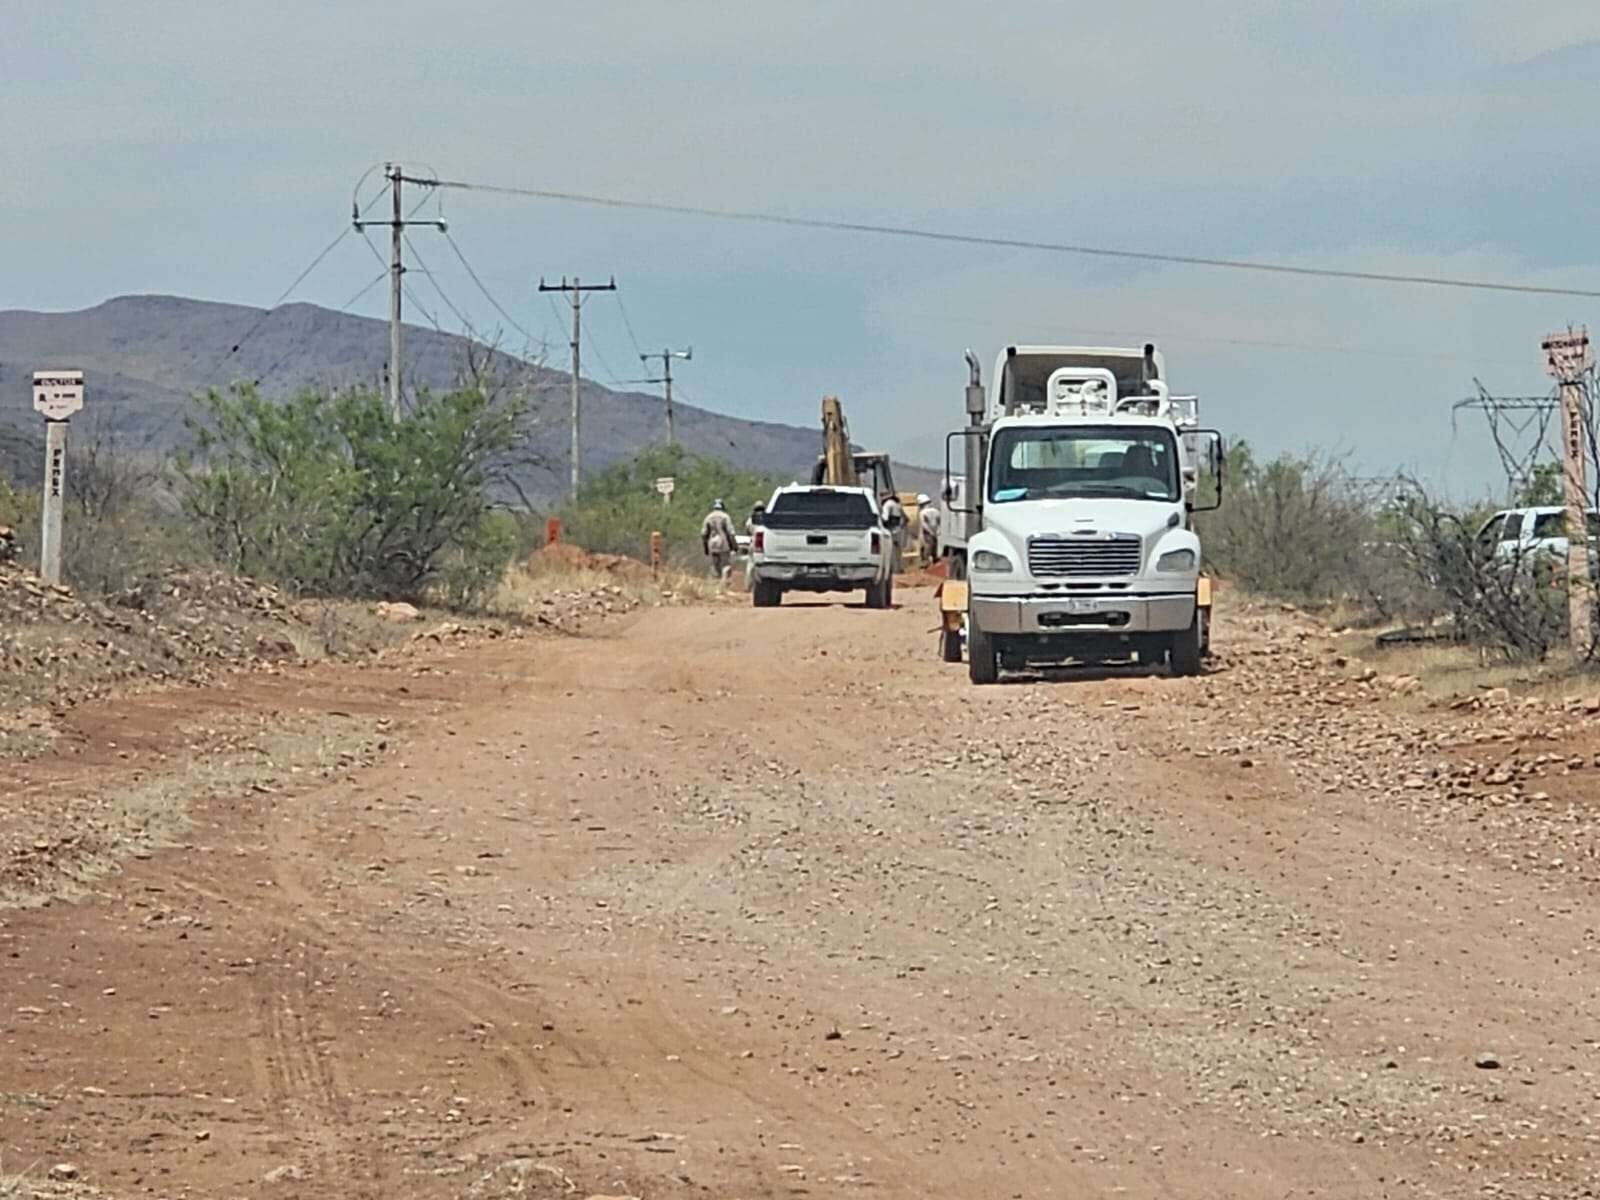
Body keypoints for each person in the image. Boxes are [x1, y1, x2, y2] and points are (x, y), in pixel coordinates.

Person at [701, 498, 738, 581]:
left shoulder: (708, 517)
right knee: (725, 566)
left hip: (712, 544)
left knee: (714, 566)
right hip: (724, 545)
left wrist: (706, 548)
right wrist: (734, 546)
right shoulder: (725, 517)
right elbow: (731, 533)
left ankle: (715, 584)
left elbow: (704, 534)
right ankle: (724, 584)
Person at [879, 492, 907, 564]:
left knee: (889, 552)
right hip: (898, 530)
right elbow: (906, 519)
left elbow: (885, 518)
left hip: (890, 530)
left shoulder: (887, 505)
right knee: (897, 551)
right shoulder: (897, 505)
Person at [917, 493, 940, 563]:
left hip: (927, 534)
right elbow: (940, 523)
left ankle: (926, 565)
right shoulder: (936, 511)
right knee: (934, 550)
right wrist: (936, 532)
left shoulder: (922, 513)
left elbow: (924, 525)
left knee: (926, 550)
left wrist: (930, 532)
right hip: (935, 533)